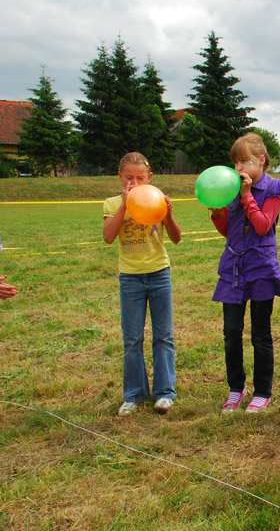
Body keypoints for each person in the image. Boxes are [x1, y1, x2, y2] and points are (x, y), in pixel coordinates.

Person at [209, 133, 280, 413]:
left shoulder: (275, 187)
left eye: (245, 161)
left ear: (261, 161)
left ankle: (262, 391)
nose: (239, 169)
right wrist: (218, 214)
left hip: (261, 268)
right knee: (231, 332)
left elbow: (263, 225)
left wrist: (246, 197)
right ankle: (236, 388)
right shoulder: (230, 189)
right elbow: (227, 232)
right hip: (233, 269)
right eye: (235, 163)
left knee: (260, 334)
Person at [103, 152, 181, 416]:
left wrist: (168, 216)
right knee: (132, 338)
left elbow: (176, 238)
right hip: (130, 278)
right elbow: (108, 237)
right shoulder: (112, 203)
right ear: (120, 178)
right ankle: (134, 395)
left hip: (159, 274)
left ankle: (164, 393)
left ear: (150, 178)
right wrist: (125, 205)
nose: (134, 182)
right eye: (128, 178)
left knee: (164, 336)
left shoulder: (157, 200)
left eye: (140, 177)